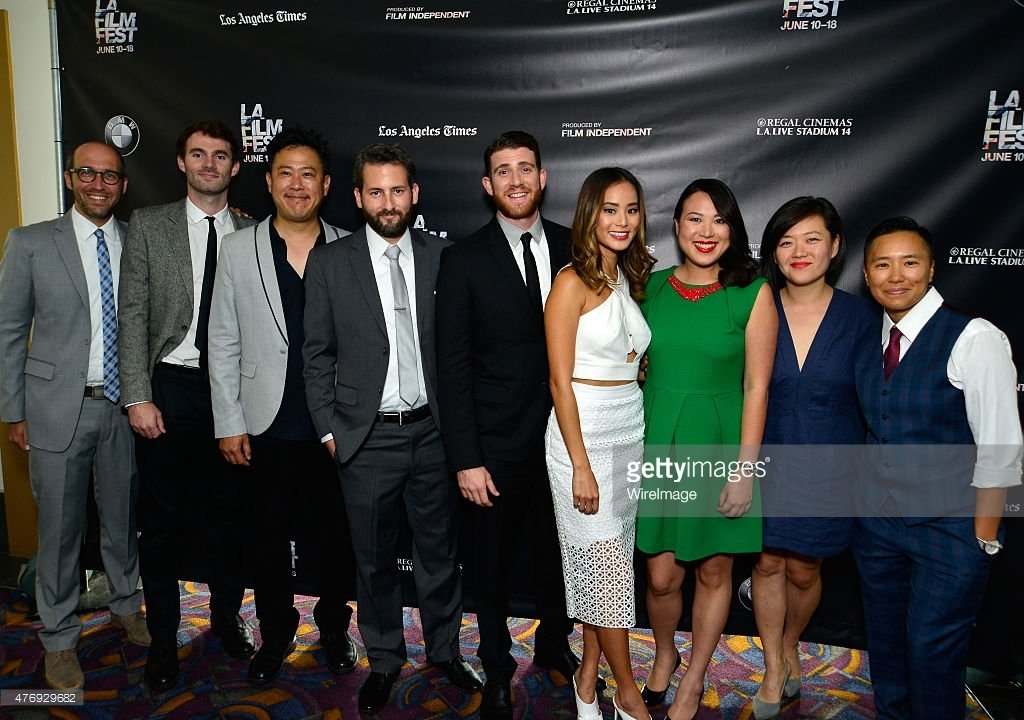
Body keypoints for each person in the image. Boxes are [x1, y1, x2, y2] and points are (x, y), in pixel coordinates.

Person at [302, 143, 481, 713]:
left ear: (415, 195)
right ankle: (383, 658)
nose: (388, 202)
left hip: (433, 433)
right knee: (373, 559)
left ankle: (446, 650)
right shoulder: (331, 262)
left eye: (397, 190)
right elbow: (316, 355)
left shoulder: (442, 257)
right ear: (357, 197)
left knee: (438, 552)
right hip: (365, 436)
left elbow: (460, 351)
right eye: (375, 191)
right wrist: (331, 431)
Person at [853, 216, 1022, 720]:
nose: (896, 275)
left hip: (951, 531)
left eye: (909, 262)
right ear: (866, 275)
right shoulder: (872, 339)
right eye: (883, 264)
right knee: (886, 653)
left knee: (931, 656)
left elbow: (1002, 445)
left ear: (930, 270)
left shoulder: (975, 338)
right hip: (878, 528)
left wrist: (983, 535)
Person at [435, 130, 579, 719]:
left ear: (543, 177)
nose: (516, 180)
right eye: (503, 170)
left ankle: (553, 644)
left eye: (526, 168)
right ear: (487, 185)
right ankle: (496, 665)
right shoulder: (464, 258)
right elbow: (453, 366)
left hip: (570, 442)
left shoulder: (581, 248)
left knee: (560, 556)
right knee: (490, 571)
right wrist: (466, 457)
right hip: (494, 448)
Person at [207, 126, 358, 683]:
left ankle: (336, 628)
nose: (297, 184)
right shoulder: (239, 246)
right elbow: (222, 338)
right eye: (286, 172)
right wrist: (228, 421)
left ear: (326, 185)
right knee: (266, 541)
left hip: (335, 428)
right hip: (262, 424)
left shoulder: (349, 247)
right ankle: (276, 633)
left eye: (309, 174)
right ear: (268, 181)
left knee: (336, 541)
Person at [0, 141, 149, 690]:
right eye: (87, 173)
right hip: (54, 408)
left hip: (123, 407)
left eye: (110, 176)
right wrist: (13, 411)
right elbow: (9, 331)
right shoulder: (32, 243)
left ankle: (127, 605)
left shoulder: (138, 242)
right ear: (70, 179)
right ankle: (59, 638)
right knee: (60, 530)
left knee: (122, 519)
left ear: (123, 185)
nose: (98, 184)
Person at [118, 119, 257, 690]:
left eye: (220, 155)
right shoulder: (148, 227)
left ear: (235, 166)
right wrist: (137, 394)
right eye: (198, 155)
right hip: (169, 389)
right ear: (180, 163)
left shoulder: (253, 232)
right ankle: (163, 641)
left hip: (233, 395)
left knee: (230, 519)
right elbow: (131, 315)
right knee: (164, 525)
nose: (208, 164)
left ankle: (226, 620)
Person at [635, 179, 776, 720]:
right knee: (661, 575)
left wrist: (744, 472)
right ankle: (666, 652)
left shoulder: (752, 291)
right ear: (675, 227)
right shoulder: (652, 286)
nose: (706, 231)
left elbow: (757, 387)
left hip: (719, 447)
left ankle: (694, 676)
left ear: (733, 229)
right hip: (657, 440)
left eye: (719, 220)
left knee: (715, 573)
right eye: (695, 219)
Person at [749, 197, 875, 719]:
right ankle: (774, 666)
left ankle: (789, 641)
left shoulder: (863, 318)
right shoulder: (755, 306)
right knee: (765, 562)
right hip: (763, 456)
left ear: (836, 246)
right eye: (786, 241)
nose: (799, 251)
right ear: (773, 252)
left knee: (804, 570)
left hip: (829, 465)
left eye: (812, 239)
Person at [545, 167, 654, 720]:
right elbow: (559, 382)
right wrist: (581, 467)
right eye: (610, 209)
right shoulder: (570, 281)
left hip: (628, 433)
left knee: (603, 573)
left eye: (631, 209)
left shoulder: (624, 277)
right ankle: (629, 695)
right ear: (589, 214)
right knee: (606, 572)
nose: (622, 221)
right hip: (580, 438)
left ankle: (587, 680)